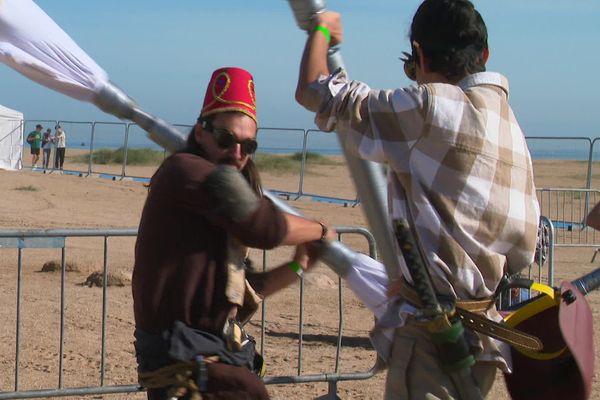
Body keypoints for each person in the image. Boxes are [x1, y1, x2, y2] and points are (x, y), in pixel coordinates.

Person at [295, 1, 540, 398]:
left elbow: (314, 92)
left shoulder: (428, 107)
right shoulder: (511, 126)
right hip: (483, 337)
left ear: (421, 54)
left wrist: (320, 31)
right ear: (484, 55)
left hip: (433, 336)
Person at [132, 67, 335, 400]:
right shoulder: (186, 171)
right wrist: (321, 230)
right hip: (186, 361)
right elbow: (264, 227)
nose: (237, 153)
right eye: (226, 140)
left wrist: (299, 266)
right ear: (201, 132)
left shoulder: (215, 206)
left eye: (247, 144)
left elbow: (243, 291)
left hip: (208, 356)